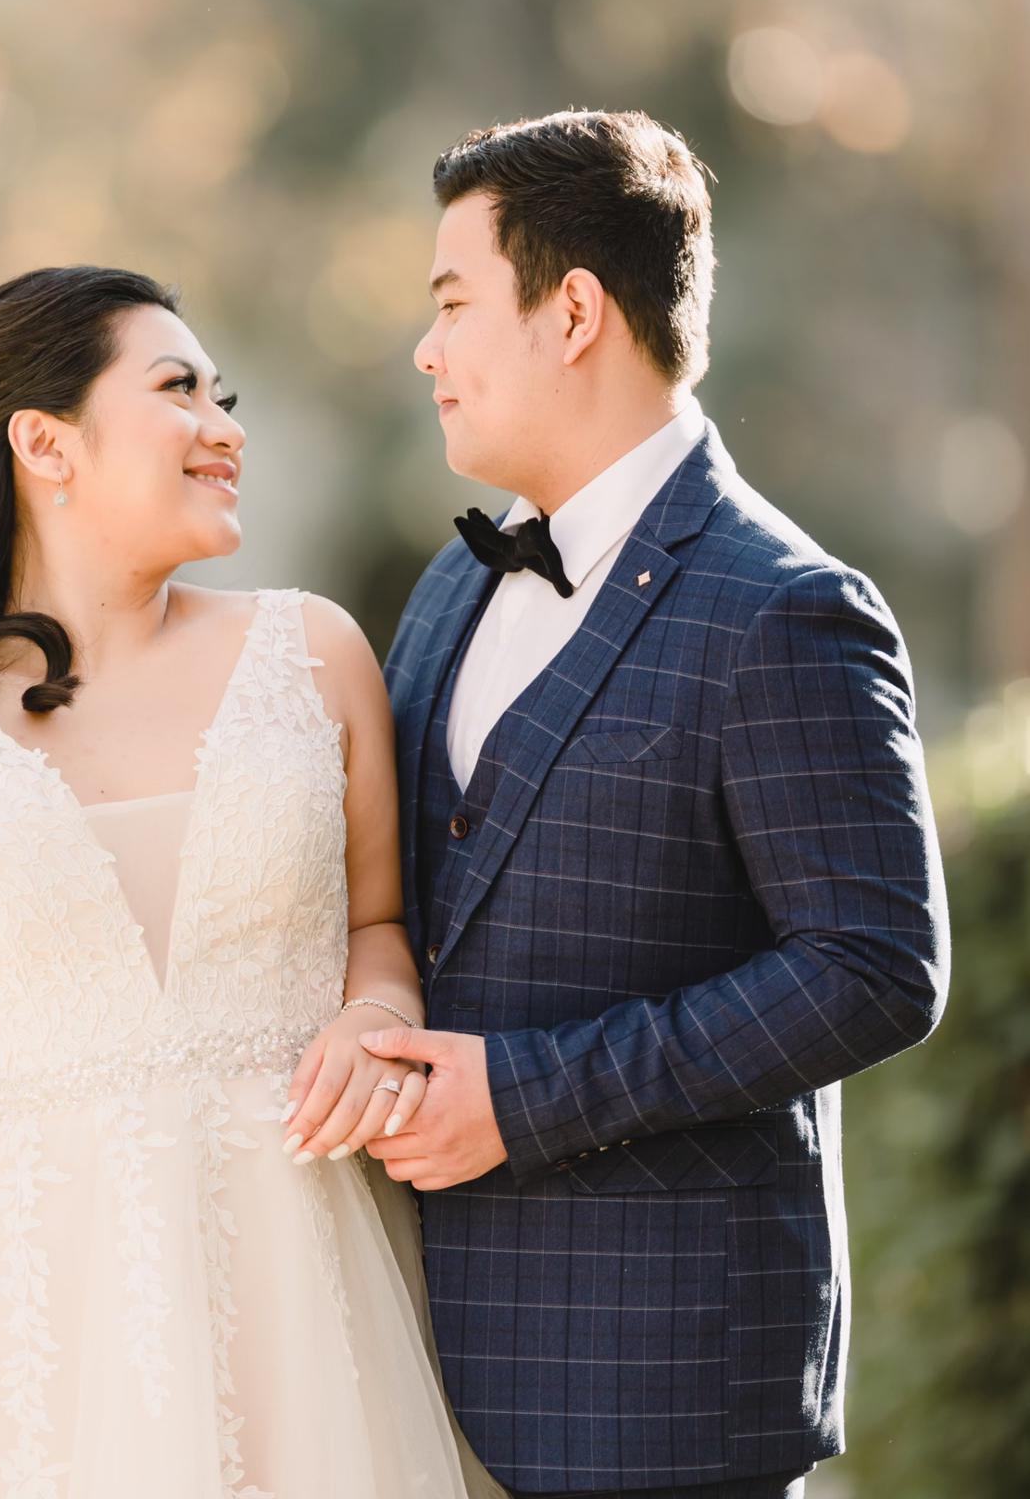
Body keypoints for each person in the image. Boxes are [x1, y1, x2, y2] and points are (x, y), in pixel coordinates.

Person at [0, 266, 510, 1499]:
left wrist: (377, 1011)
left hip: (302, 1301)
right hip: (6, 1328)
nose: (225, 427)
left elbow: (377, 920)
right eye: (178, 389)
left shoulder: (315, 653)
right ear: (46, 442)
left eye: (224, 396)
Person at [358, 110, 951, 1499]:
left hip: (661, 1386)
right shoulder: (451, 585)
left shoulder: (785, 607)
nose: (426, 351)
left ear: (572, 311)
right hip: (407, 1360)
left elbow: (874, 966)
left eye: (453, 304)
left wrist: (527, 1097)